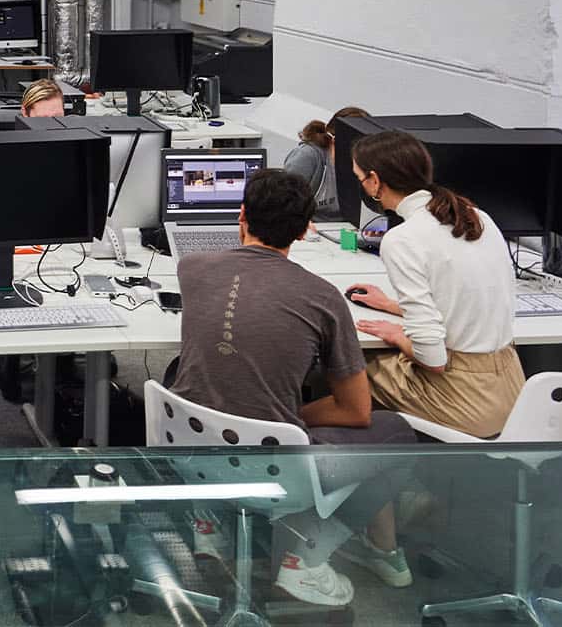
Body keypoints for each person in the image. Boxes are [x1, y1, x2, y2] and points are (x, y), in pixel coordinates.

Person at [171, 168, 418, 608]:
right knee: (397, 433)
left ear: (242, 215)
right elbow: (357, 412)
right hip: (273, 463)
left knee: (181, 368)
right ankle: (303, 557)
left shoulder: (191, 269)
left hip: (193, 451)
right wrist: (287, 416)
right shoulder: (323, 297)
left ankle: (209, 522)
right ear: (306, 230)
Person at [345, 130, 523, 438]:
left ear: (374, 181)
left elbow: (434, 359)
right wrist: (391, 306)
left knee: (351, 371)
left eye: (359, 178)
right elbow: (466, 303)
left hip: (464, 400)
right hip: (514, 391)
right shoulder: (478, 218)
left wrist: (398, 335)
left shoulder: (402, 239)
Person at [283, 106, 370, 219]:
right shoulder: (308, 156)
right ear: (335, 141)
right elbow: (284, 203)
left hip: (350, 228)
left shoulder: (366, 162)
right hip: (311, 228)